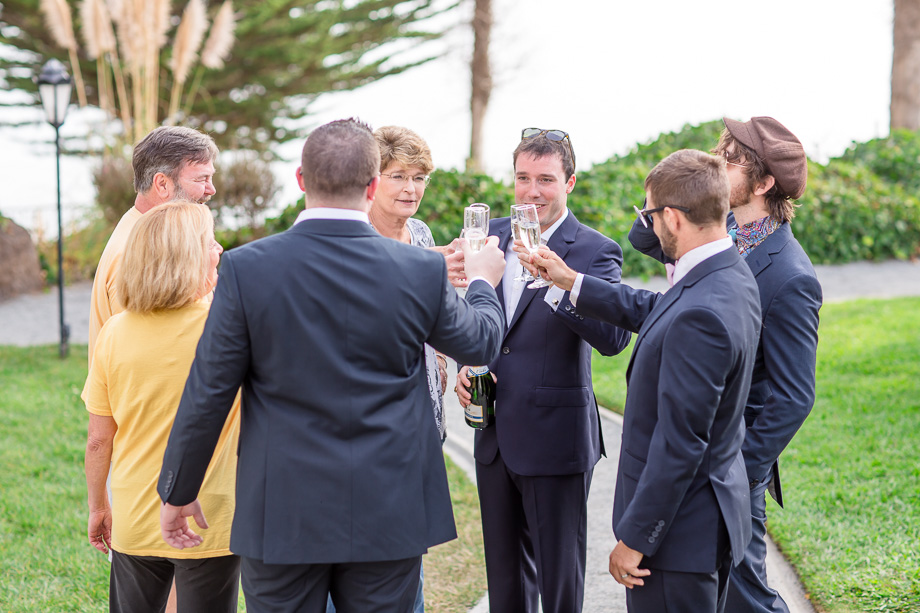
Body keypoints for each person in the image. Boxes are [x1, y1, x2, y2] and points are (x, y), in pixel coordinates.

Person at [156, 118, 507, 612]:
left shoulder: (246, 269)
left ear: (301, 180)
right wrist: (484, 281)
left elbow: (209, 390)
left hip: (282, 512)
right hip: (389, 509)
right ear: (371, 187)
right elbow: (481, 343)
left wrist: (178, 489)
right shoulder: (420, 270)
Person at [526, 149, 762, 613]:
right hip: (702, 524)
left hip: (675, 541)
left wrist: (635, 539)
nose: (648, 226)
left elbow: (681, 443)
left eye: (649, 214)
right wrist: (572, 281)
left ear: (672, 218)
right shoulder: (728, 275)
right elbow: (659, 313)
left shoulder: (701, 311)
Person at [627, 117, 823, 613]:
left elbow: (795, 396)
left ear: (763, 184)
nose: (717, 161)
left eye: (730, 159)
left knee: (747, 600)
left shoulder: (791, 276)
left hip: (729, 469)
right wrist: (684, 181)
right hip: (697, 460)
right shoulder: (720, 226)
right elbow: (646, 236)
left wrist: (739, 468)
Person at [454, 128, 632, 612]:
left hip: (557, 442)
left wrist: (558, 285)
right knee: (506, 586)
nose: (532, 191)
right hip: (493, 438)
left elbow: (615, 340)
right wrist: (466, 367)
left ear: (570, 182)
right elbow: (473, 318)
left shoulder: (595, 250)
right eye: (523, 178)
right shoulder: (487, 237)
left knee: (559, 587)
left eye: (546, 180)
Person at [84, 201, 240, 613]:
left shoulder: (115, 332)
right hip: (212, 518)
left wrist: (99, 506)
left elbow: (99, 440)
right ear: (187, 256)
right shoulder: (227, 328)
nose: (220, 248)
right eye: (209, 242)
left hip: (135, 517)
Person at [86, 125, 218, 367]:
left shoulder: (149, 235)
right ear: (162, 184)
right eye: (202, 179)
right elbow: (141, 360)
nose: (211, 190)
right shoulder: (135, 254)